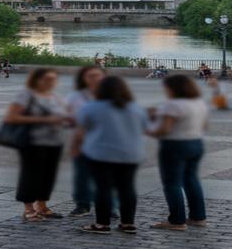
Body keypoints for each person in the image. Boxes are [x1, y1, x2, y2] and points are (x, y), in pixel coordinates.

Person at [74, 76, 149, 235]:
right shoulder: (136, 108)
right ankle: (128, 223)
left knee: (103, 188)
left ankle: (102, 224)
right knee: (127, 188)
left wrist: (77, 148)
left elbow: (81, 131)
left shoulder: (92, 107)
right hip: (130, 154)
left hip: (101, 154)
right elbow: (143, 128)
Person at [3, 68, 68, 221]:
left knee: (47, 176)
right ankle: (28, 209)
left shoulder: (52, 96)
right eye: (47, 79)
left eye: (53, 79)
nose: (50, 82)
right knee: (30, 176)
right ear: (36, 79)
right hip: (32, 142)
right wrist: (44, 120)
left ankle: (42, 205)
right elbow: (12, 117)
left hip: (53, 142)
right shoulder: (26, 95)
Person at [148, 74, 209, 231]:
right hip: (196, 144)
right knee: (191, 180)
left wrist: (147, 130)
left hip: (174, 146)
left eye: (166, 88)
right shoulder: (199, 103)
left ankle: (176, 221)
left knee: (172, 183)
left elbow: (164, 129)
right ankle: (198, 217)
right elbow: (204, 126)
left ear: (173, 88)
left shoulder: (173, 104)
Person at [64, 65, 105, 217]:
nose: (95, 79)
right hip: (82, 141)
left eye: (97, 75)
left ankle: (110, 206)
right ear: (83, 78)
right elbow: (66, 116)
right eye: (90, 76)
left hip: (106, 143)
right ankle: (82, 205)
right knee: (82, 174)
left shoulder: (113, 95)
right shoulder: (75, 97)